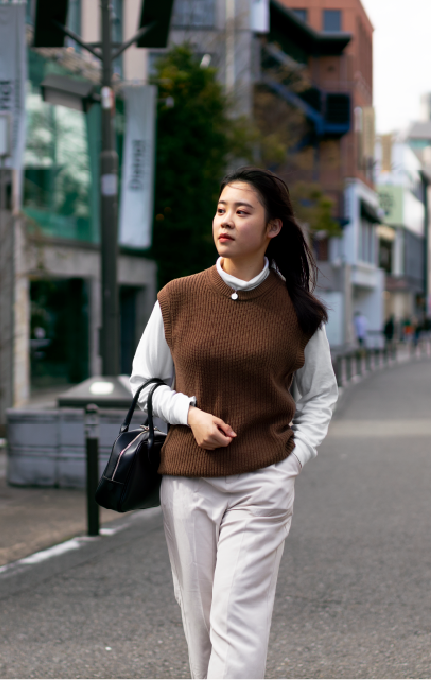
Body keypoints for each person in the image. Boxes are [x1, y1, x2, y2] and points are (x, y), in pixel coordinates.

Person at [129, 167, 338, 679]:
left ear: (272, 229)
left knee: (236, 616)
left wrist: (293, 461)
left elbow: (322, 395)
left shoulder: (298, 309)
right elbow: (141, 384)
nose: (226, 220)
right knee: (200, 624)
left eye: (242, 211)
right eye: (221, 209)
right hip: (187, 482)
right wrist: (189, 415)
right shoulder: (177, 296)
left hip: (262, 482)